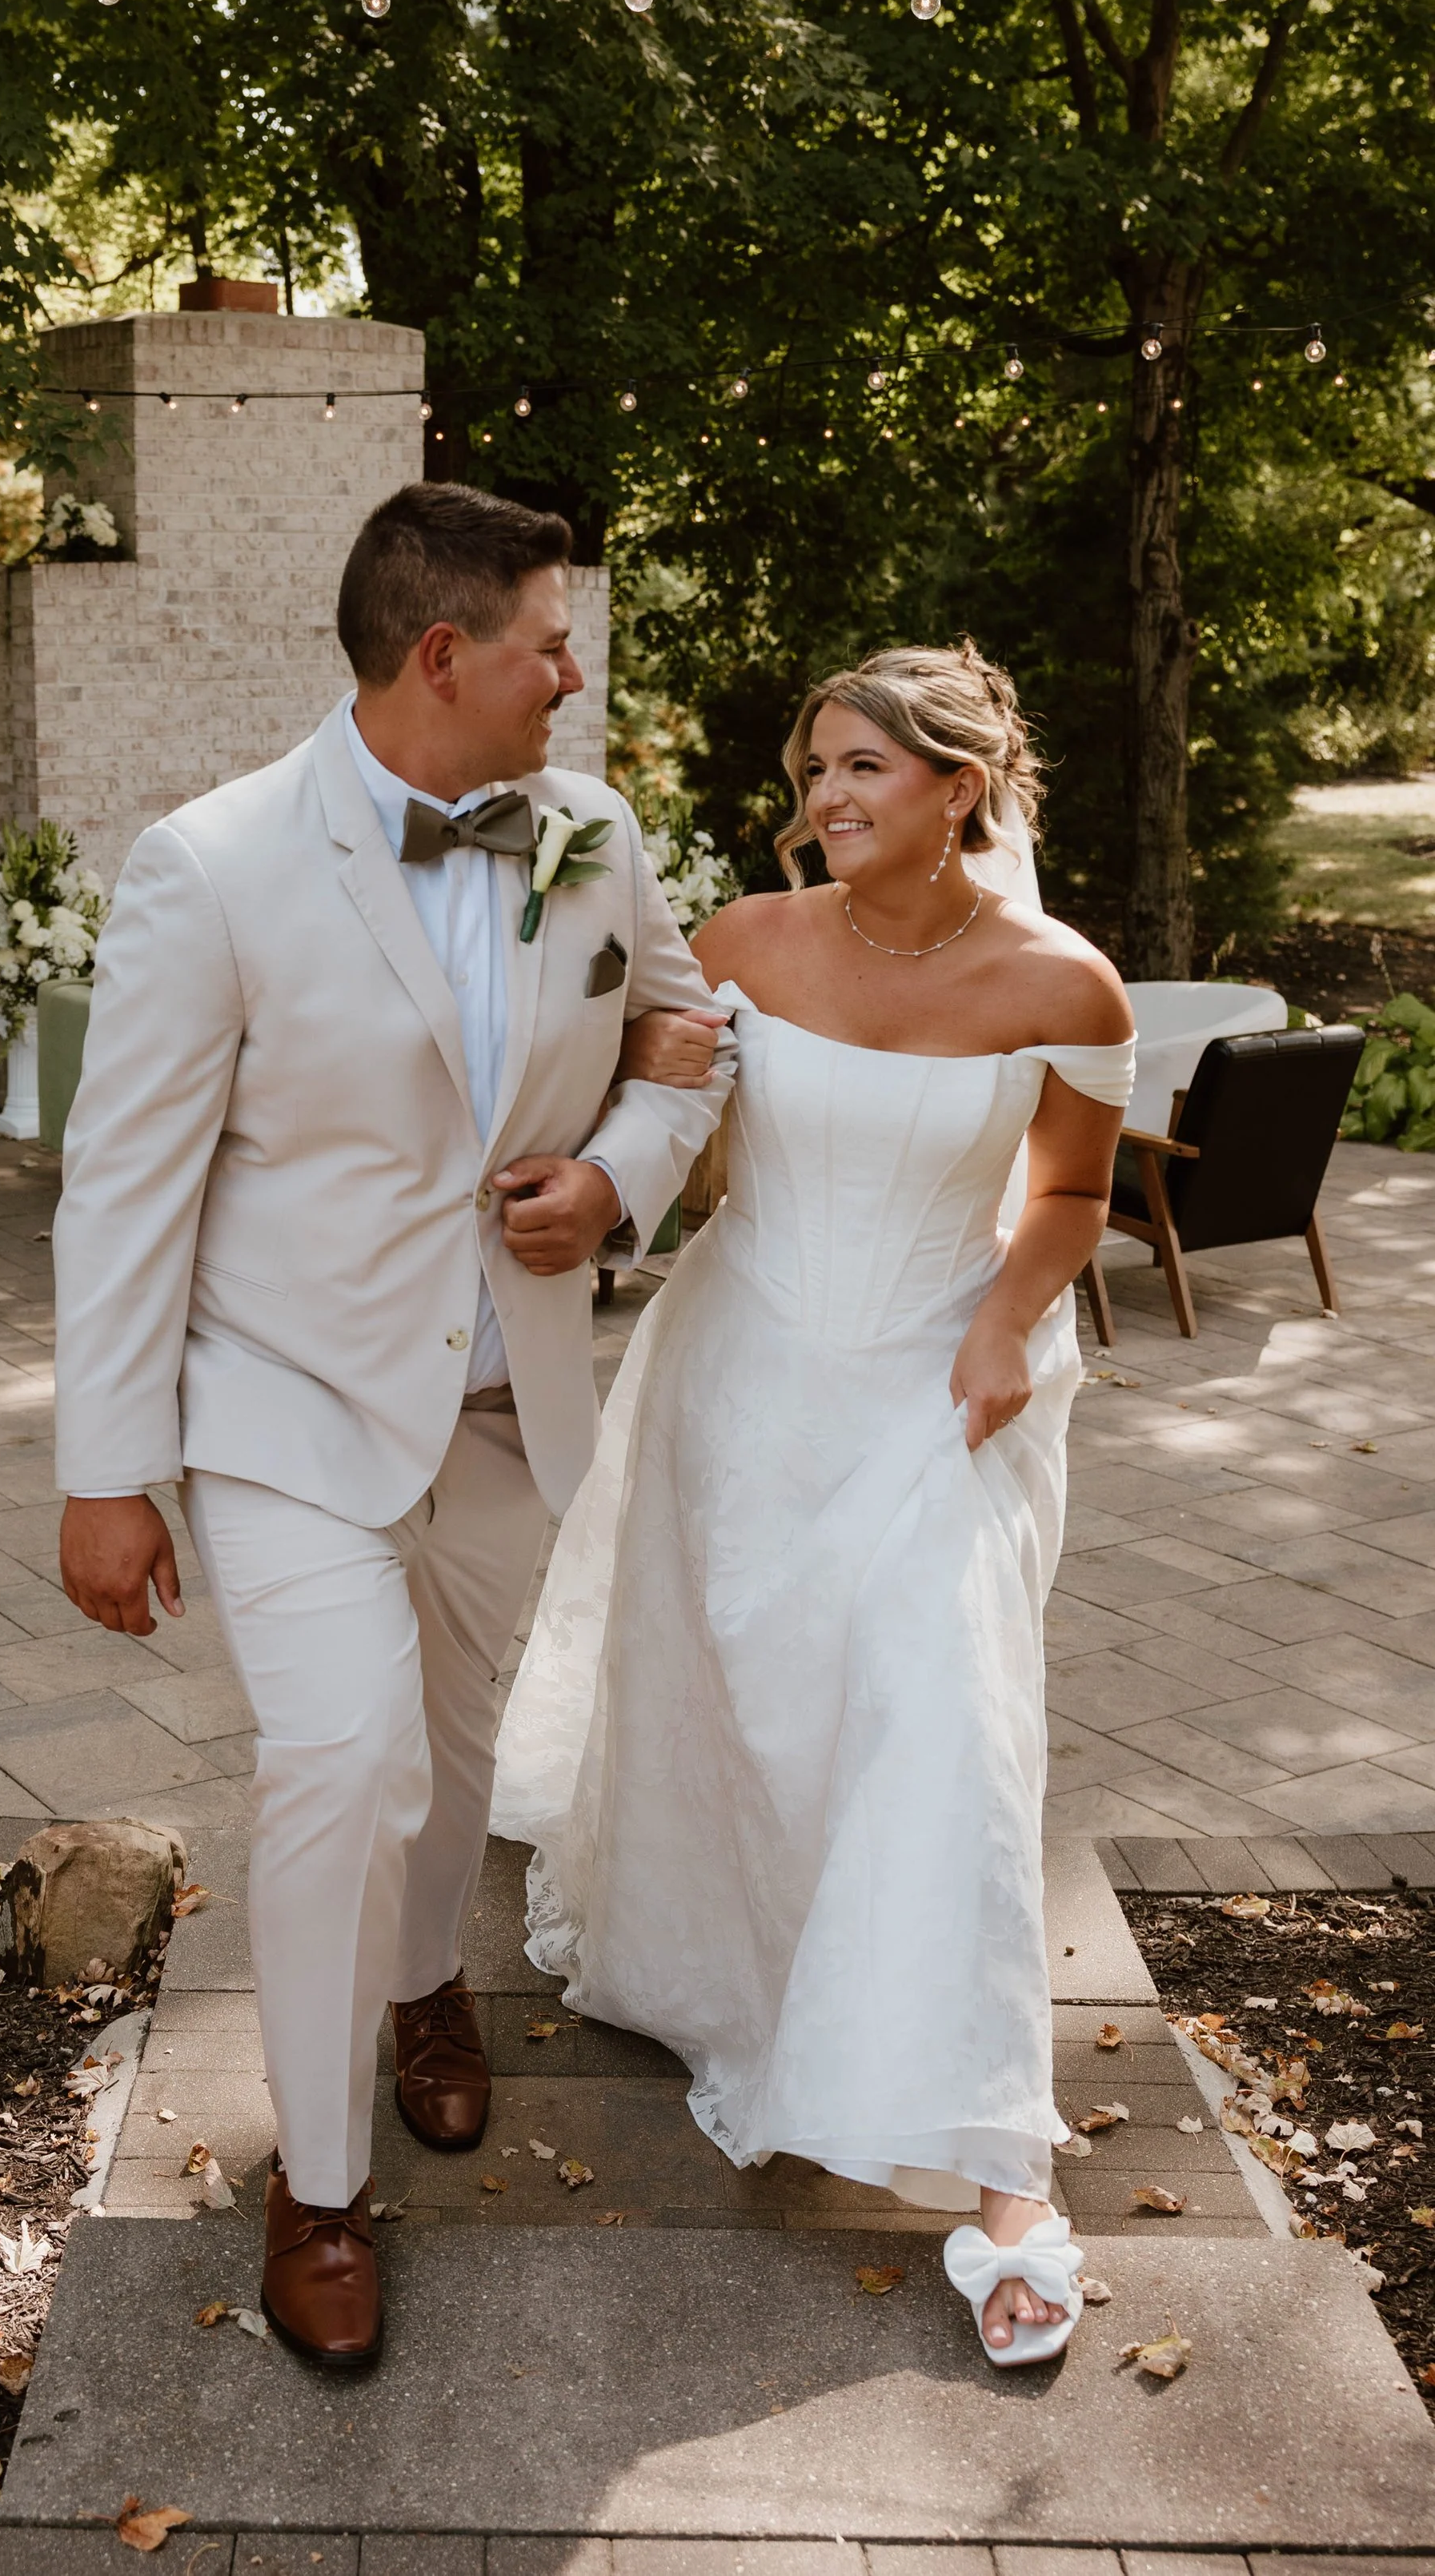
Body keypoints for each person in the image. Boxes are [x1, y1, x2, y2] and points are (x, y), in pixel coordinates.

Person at [52, 480, 732, 2369]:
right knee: (339, 1765)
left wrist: (616, 1180)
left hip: (516, 1402)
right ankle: (319, 2181)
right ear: (446, 655)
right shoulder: (210, 863)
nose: (568, 672)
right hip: (286, 1407)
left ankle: (431, 1979)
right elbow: (124, 1185)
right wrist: (104, 1472)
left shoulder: (589, 835)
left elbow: (688, 1045)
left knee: (447, 1753)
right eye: (546, 638)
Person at [491, 643, 1134, 2369]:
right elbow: (678, 1131)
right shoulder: (745, 945)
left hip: (942, 1384)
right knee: (756, 1704)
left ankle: (1002, 2179)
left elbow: (1066, 1191)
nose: (824, 801)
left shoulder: (1066, 985)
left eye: (861, 770)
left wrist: (1005, 1323)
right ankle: (769, 1974)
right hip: (746, 1368)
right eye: (815, 770)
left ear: (957, 791)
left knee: (944, 1716)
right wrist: (620, 1145)